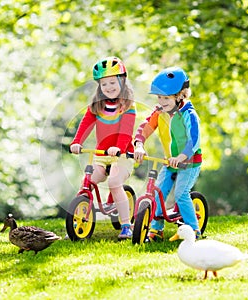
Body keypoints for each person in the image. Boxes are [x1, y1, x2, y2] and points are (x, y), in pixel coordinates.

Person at [69, 56, 136, 240]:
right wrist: (77, 142)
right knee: (88, 182)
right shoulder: (98, 105)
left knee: (114, 183)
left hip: (122, 155)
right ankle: (76, 222)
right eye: (104, 84)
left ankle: (126, 226)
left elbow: (126, 132)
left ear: (122, 81)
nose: (109, 87)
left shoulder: (128, 107)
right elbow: (86, 123)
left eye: (112, 83)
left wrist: (118, 148)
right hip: (100, 155)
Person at [134, 66, 202, 242]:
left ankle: (194, 230)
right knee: (159, 192)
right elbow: (145, 127)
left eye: (166, 98)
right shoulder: (160, 113)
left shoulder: (189, 114)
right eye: (159, 97)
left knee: (180, 193)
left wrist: (181, 157)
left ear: (180, 95)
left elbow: (193, 140)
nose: (161, 101)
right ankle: (156, 230)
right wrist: (139, 144)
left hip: (189, 162)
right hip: (169, 162)